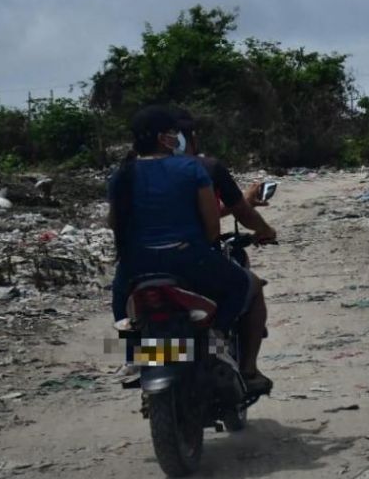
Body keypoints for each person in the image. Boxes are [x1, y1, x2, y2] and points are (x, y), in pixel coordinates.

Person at [108, 106, 271, 394]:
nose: (176, 137)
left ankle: (133, 356)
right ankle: (219, 342)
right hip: (188, 259)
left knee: (122, 310)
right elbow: (211, 228)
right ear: (163, 138)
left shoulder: (121, 176)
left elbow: (115, 224)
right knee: (249, 286)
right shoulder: (192, 168)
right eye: (171, 133)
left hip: (135, 265)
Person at [170, 108, 274, 393]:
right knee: (250, 285)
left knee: (129, 322)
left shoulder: (134, 173)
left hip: (142, 264)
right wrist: (264, 229)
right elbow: (214, 222)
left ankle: (135, 356)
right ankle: (247, 369)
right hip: (195, 259)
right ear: (190, 137)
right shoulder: (204, 168)